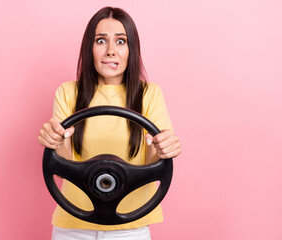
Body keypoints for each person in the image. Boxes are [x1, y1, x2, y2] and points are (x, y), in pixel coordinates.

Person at [38, 6, 181, 240]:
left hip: (130, 227)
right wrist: (54, 139)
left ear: (131, 50)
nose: (111, 51)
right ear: (89, 48)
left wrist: (165, 147)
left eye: (121, 42)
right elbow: (64, 163)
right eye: (101, 41)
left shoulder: (149, 94)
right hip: (73, 226)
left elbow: (153, 160)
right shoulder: (68, 93)